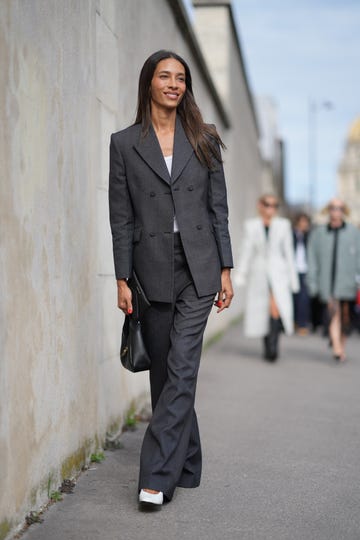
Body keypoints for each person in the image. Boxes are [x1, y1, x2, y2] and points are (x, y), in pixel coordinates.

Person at [109, 50, 234, 507]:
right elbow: (120, 217)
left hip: (199, 267)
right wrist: (122, 277)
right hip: (150, 269)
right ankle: (189, 461)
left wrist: (225, 268)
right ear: (149, 84)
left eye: (181, 78)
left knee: (182, 367)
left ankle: (156, 478)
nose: (174, 84)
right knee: (165, 374)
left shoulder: (204, 137)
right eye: (165, 76)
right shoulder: (124, 143)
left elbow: (218, 208)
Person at [235, 194, 299, 361]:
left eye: (275, 205)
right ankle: (267, 344)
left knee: (276, 308)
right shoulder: (251, 225)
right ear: (260, 205)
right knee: (262, 310)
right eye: (268, 204)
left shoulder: (283, 225)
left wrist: (293, 279)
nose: (271, 208)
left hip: (279, 272)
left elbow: (289, 254)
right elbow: (246, 251)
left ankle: (273, 347)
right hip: (259, 273)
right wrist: (241, 273)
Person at [307, 198, 360, 362]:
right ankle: (337, 346)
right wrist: (312, 281)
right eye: (332, 208)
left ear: (343, 211)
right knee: (333, 313)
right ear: (328, 210)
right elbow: (312, 258)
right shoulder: (319, 233)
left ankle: (340, 344)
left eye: (339, 208)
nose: (335, 211)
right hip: (327, 282)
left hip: (348, 281)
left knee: (345, 317)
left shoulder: (353, 232)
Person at [292, 212, 311, 335]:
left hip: (305, 270)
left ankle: (302, 324)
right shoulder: (291, 234)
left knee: (303, 299)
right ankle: (292, 322)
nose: (305, 225)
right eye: (302, 222)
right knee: (292, 297)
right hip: (293, 270)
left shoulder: (309, 236)